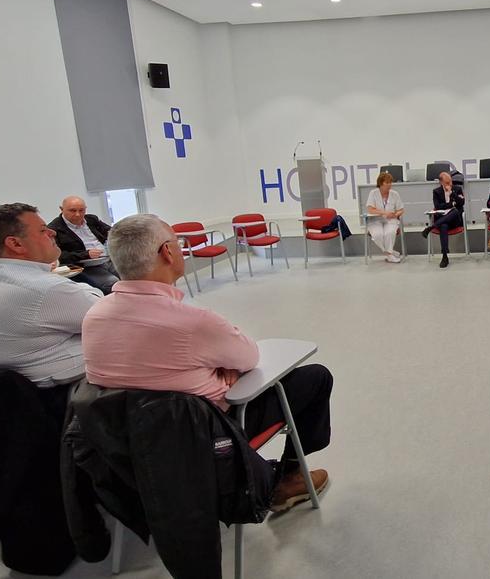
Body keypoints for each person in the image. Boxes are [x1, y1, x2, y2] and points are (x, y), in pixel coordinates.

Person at [82, 214, 332, 513]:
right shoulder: (194, 322)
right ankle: (288, 478)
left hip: (132, 450)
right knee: (315, 378)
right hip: (206, 440)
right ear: (168, 252)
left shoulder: (94, 316)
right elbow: (249, 357)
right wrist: (220, 369)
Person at [0, 203, 101, 387]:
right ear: (15, 244)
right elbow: (107, 315)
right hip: (66, 391)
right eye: (43, 230)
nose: (52, 232)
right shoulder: (42, 288)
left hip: (9, 391)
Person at [48, 196, 120, 294]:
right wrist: (85, 254)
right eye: (73, 211)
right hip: (85, 266)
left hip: (108, 259)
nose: (78, 214)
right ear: (61, 209)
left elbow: (112, 232)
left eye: (81, 210)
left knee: (133, 276)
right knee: (112, 282)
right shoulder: (54, 229)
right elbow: (59, 256)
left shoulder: (91, 219)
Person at [421, 170, 465, 268]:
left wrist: (452, 194)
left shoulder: (457, 189)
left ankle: (431, 227)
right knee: (444, 226)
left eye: (451, 182)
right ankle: (445, 256)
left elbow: (461, 203)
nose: (450, 184)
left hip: (455, 220)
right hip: (443, 219)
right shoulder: (436, 192)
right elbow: (438, 206)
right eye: (447, 183)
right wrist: (451, 204)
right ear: (441, 182)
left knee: (454, 211)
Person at [365, 172, 404, 263]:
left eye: (390, 182)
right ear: (380, 183)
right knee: (377, 235)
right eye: (387, 183)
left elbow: (401, 210)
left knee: (389, 233)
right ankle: (389, 253)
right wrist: (385, 213)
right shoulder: (373, 193)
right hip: (375, 220)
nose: (389, 185)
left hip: (391, 220)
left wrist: (395, 215)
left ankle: (389, 255)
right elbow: (370, 209)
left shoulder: (395, 194)